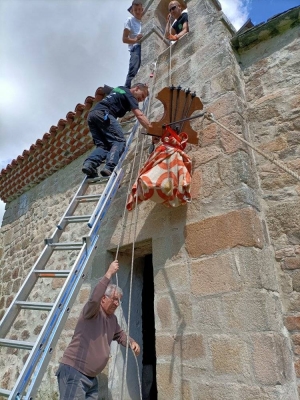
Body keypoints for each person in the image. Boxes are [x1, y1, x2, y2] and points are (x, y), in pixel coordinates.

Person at [56, 260, 140, 400]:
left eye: (119, 300)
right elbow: (94, 298)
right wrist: (109, 273)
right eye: (114, 299)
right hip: (75, 373)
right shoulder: (92, 311)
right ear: (103, 299)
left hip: (91, 379)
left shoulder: (112, 319)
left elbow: (120, 335)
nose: (117, 303)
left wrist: (131, 342)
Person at [82, 83, 152, 178]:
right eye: (142, 95)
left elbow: (109, 90)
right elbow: (139, 115)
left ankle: (90, 164)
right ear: (137, 88)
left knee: (103, 146)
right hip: (104, 114)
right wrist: (151, 129)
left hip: (93, 115)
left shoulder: (120, 89)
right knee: (119, 141)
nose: (140, 100)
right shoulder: (130, 96)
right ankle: (109, 167)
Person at [123, 0, 144, 88]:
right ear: (132, 10)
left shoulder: (145, 20)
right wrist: (135, 40)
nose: (138, 12)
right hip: (136, 47)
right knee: (134, 69)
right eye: (136, 10)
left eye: (139, 9)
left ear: (142, 9)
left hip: (145, 44)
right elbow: (124, 39)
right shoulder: (130, 20)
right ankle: (126, 89)